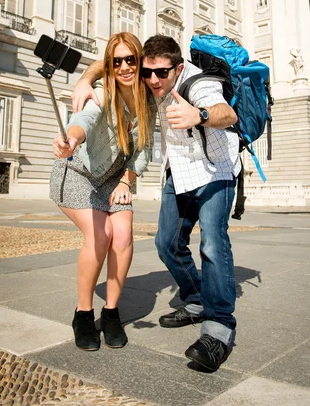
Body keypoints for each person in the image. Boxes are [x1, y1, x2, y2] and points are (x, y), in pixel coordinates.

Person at [72, 34, 240, 372]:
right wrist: (85, 78)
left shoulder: (198, 82)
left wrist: (200, 114)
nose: (152, 80)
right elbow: (113, 63)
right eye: (148, 73)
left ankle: (218, 328)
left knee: (212, 242)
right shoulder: (149, 78)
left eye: (162, 74)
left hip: (215, 170)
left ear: (177, 68)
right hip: (179, 171)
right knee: (166, 243)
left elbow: (227, 114)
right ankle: (194, 300)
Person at [51, 32, 156, 352]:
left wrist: (127, 182)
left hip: (115, 179)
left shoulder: (147, 100)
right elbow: (84, 118)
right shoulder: (102, 92)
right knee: (100, 235)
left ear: (139, 62)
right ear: (110, 65)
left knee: (122, 235)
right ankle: (83, 314)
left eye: (131, 60)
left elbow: (144, 151)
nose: (124, 67)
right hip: (78, 174)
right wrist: (71, 139)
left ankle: (111, 312)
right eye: (117, 61)